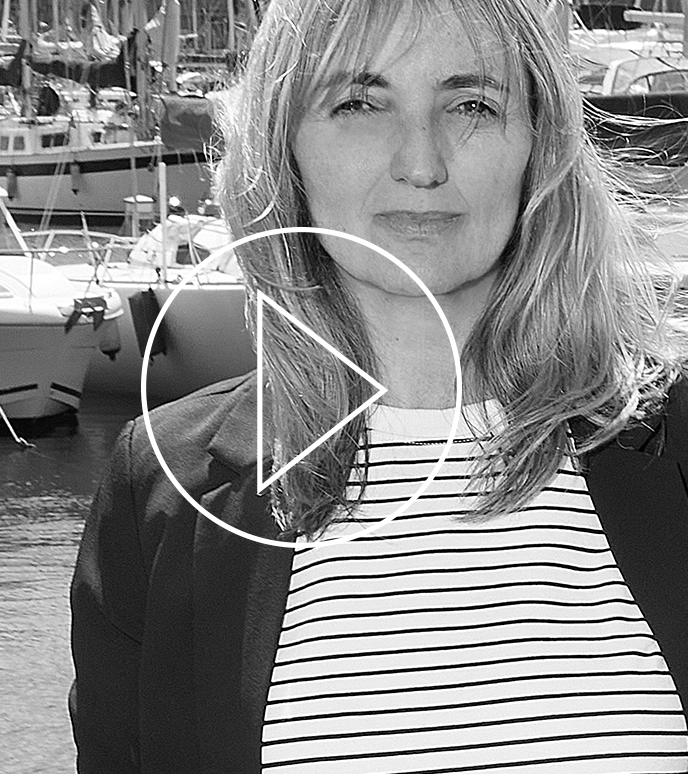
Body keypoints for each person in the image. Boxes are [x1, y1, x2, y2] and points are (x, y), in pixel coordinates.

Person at [69, 0, 688, 771]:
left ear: (541, 143)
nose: (420, 163)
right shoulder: (161, 491)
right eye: (360, 103)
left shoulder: (672, 444)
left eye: (472, 104)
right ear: (284, 147)